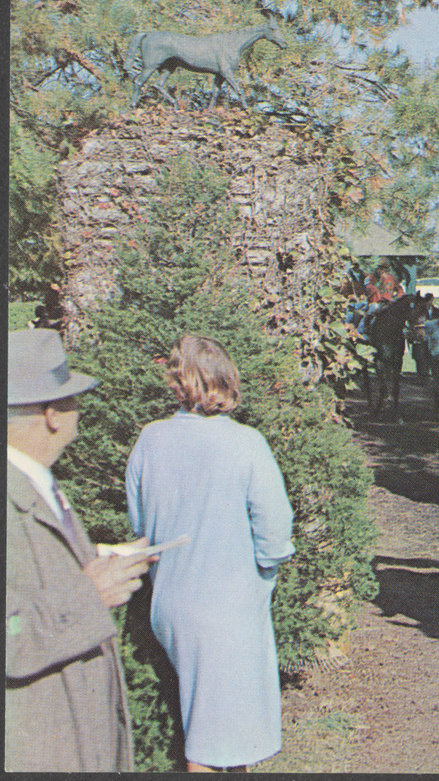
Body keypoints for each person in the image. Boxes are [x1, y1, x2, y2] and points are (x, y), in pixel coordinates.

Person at [126, 335, 296, 772]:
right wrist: (263, 568)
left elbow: (141, 527)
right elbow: (275, 530)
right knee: (208, 745)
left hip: (169, 604)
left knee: (218, 730)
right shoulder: (245, 443)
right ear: (226, 380)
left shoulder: (149, 440)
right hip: (226, 609)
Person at [7, 328, 155, 772]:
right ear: (53, 414)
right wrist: (91, 593)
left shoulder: (36, 480)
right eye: (74, 399)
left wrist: (98, 558)